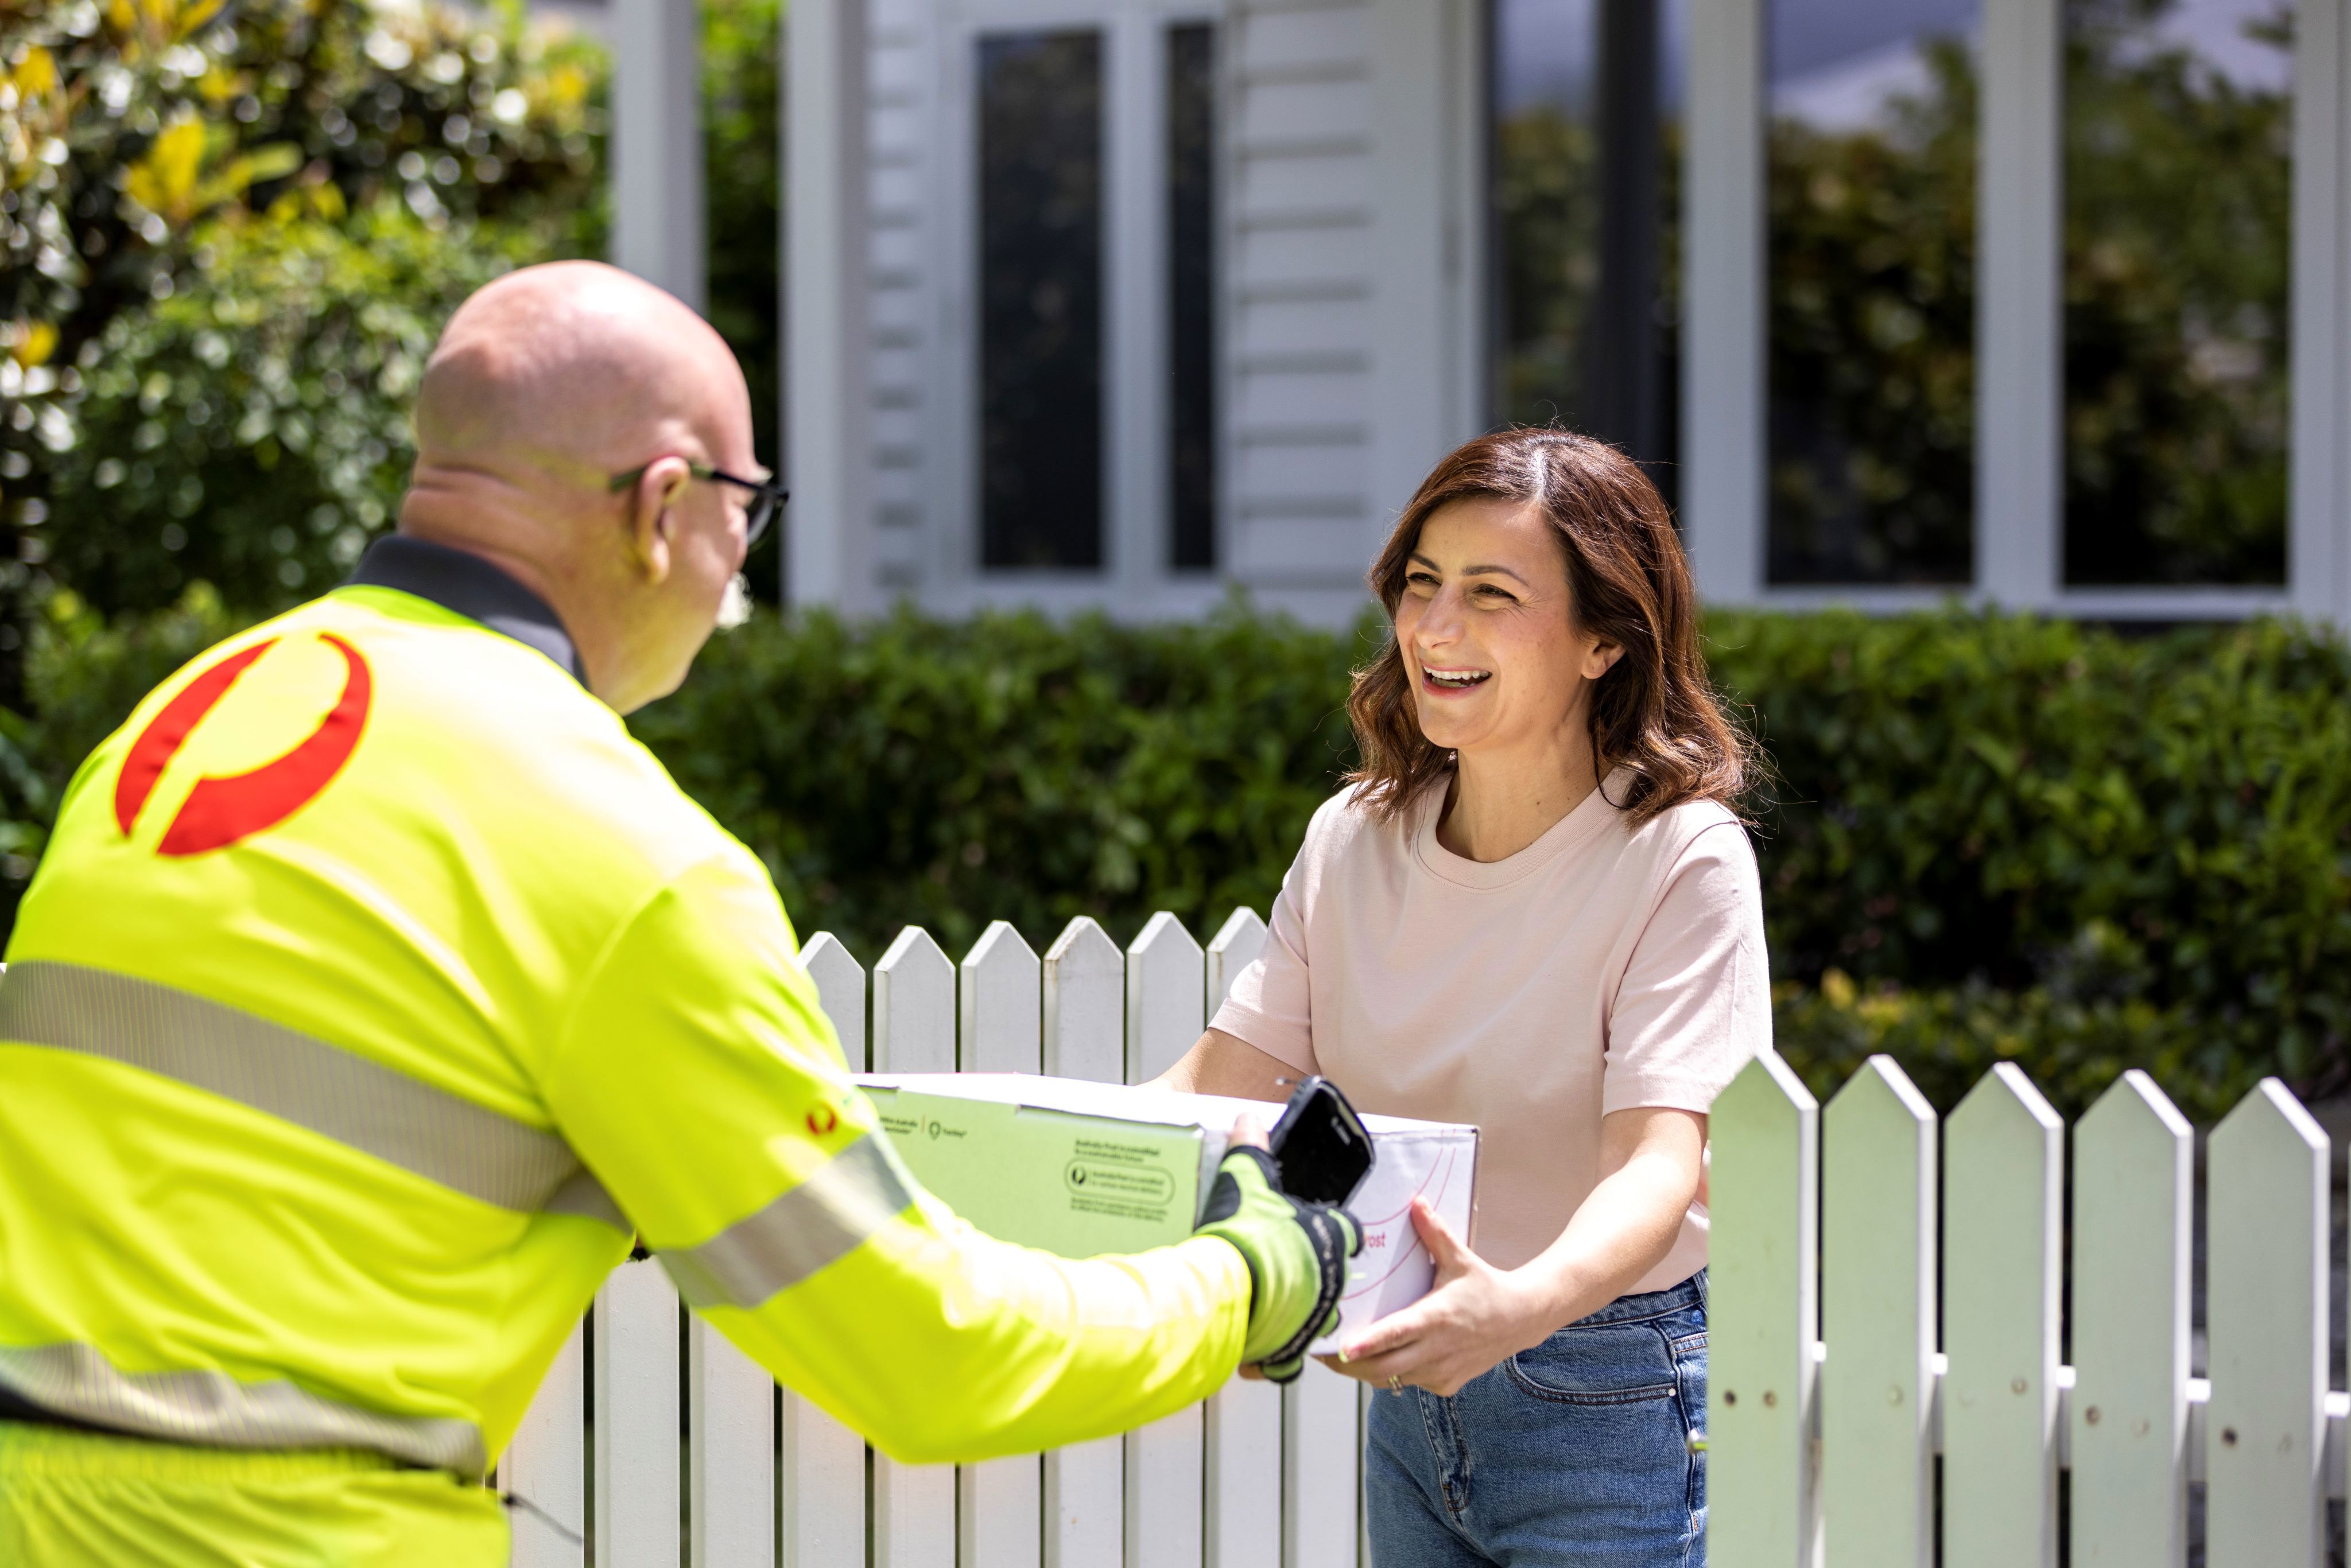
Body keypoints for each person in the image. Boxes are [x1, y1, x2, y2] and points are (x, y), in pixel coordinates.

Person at [0, 261, 1357, 1566]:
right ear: (663, 506)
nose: (737, 574)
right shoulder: (623, 850)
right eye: (746, 515)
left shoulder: (180, 725)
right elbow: (934, 1359)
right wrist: (1252, 1274)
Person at [1153, 429, 1766, 1566]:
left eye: (1491, 593)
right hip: (1411, 1365)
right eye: (1421, 585)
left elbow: (1656, 1162)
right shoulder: (1354, 837)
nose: (1436, 628)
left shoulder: (1679, 856)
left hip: (1606, 1388)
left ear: (1601, 639)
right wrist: (1037, 1175)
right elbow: (1214, 1085)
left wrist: (1519, 1306)